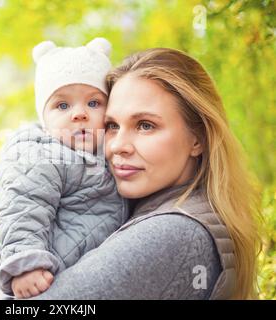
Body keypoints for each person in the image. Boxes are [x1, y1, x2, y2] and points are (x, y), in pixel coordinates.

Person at [29, 48, 262, 300]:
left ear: (198, 139)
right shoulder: (155, 211)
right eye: (112, 126)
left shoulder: (172, 233)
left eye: (145, 126)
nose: (118, 145)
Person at [0, 38, 128, 299]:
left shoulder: (109, 154)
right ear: (45, 120)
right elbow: (21, 207)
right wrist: (24, 262)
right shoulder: (39, 154)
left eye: (94, 103)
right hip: (40, 280)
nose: (79, 113)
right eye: (62, 105)